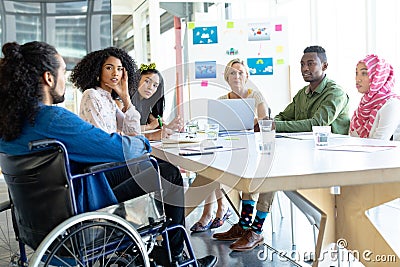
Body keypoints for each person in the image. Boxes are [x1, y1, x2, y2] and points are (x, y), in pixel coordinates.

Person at [0, 41, 216, 267]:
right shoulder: (53, 118)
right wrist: (144, 143)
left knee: (154, 169)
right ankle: (175, 256)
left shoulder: (9, 125)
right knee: (168, 172)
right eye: (63, 71)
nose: (65, 78)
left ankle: (159, 250)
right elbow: (115, 149)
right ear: (49, 78)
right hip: (82, 205)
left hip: (37, 221)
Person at [273, 45, 350, 134]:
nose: (304, 69)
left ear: (324, 66)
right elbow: (283, 116)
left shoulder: (336, 93)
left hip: (330, 146)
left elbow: (317, 124)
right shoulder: (302, 93)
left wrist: (276, 125)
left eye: (310, 64)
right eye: (302, 64)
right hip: (303, 145)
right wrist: (271, 123)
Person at [350, 54, 400, 140]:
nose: (358, 79)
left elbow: (379, 143)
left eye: (364, 73)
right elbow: (352, 137)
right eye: (357, 73)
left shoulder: (391, 104)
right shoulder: (364, 105)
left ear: (378, 76)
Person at [131, 62, 183, 133]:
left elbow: (157, 125)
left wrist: (169, 127)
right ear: (136, 80)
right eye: (147, 81)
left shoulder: (146, 108)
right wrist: (149, 127)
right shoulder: (125, 102)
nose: (150, 87)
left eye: (155, 85)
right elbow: (126, 129)